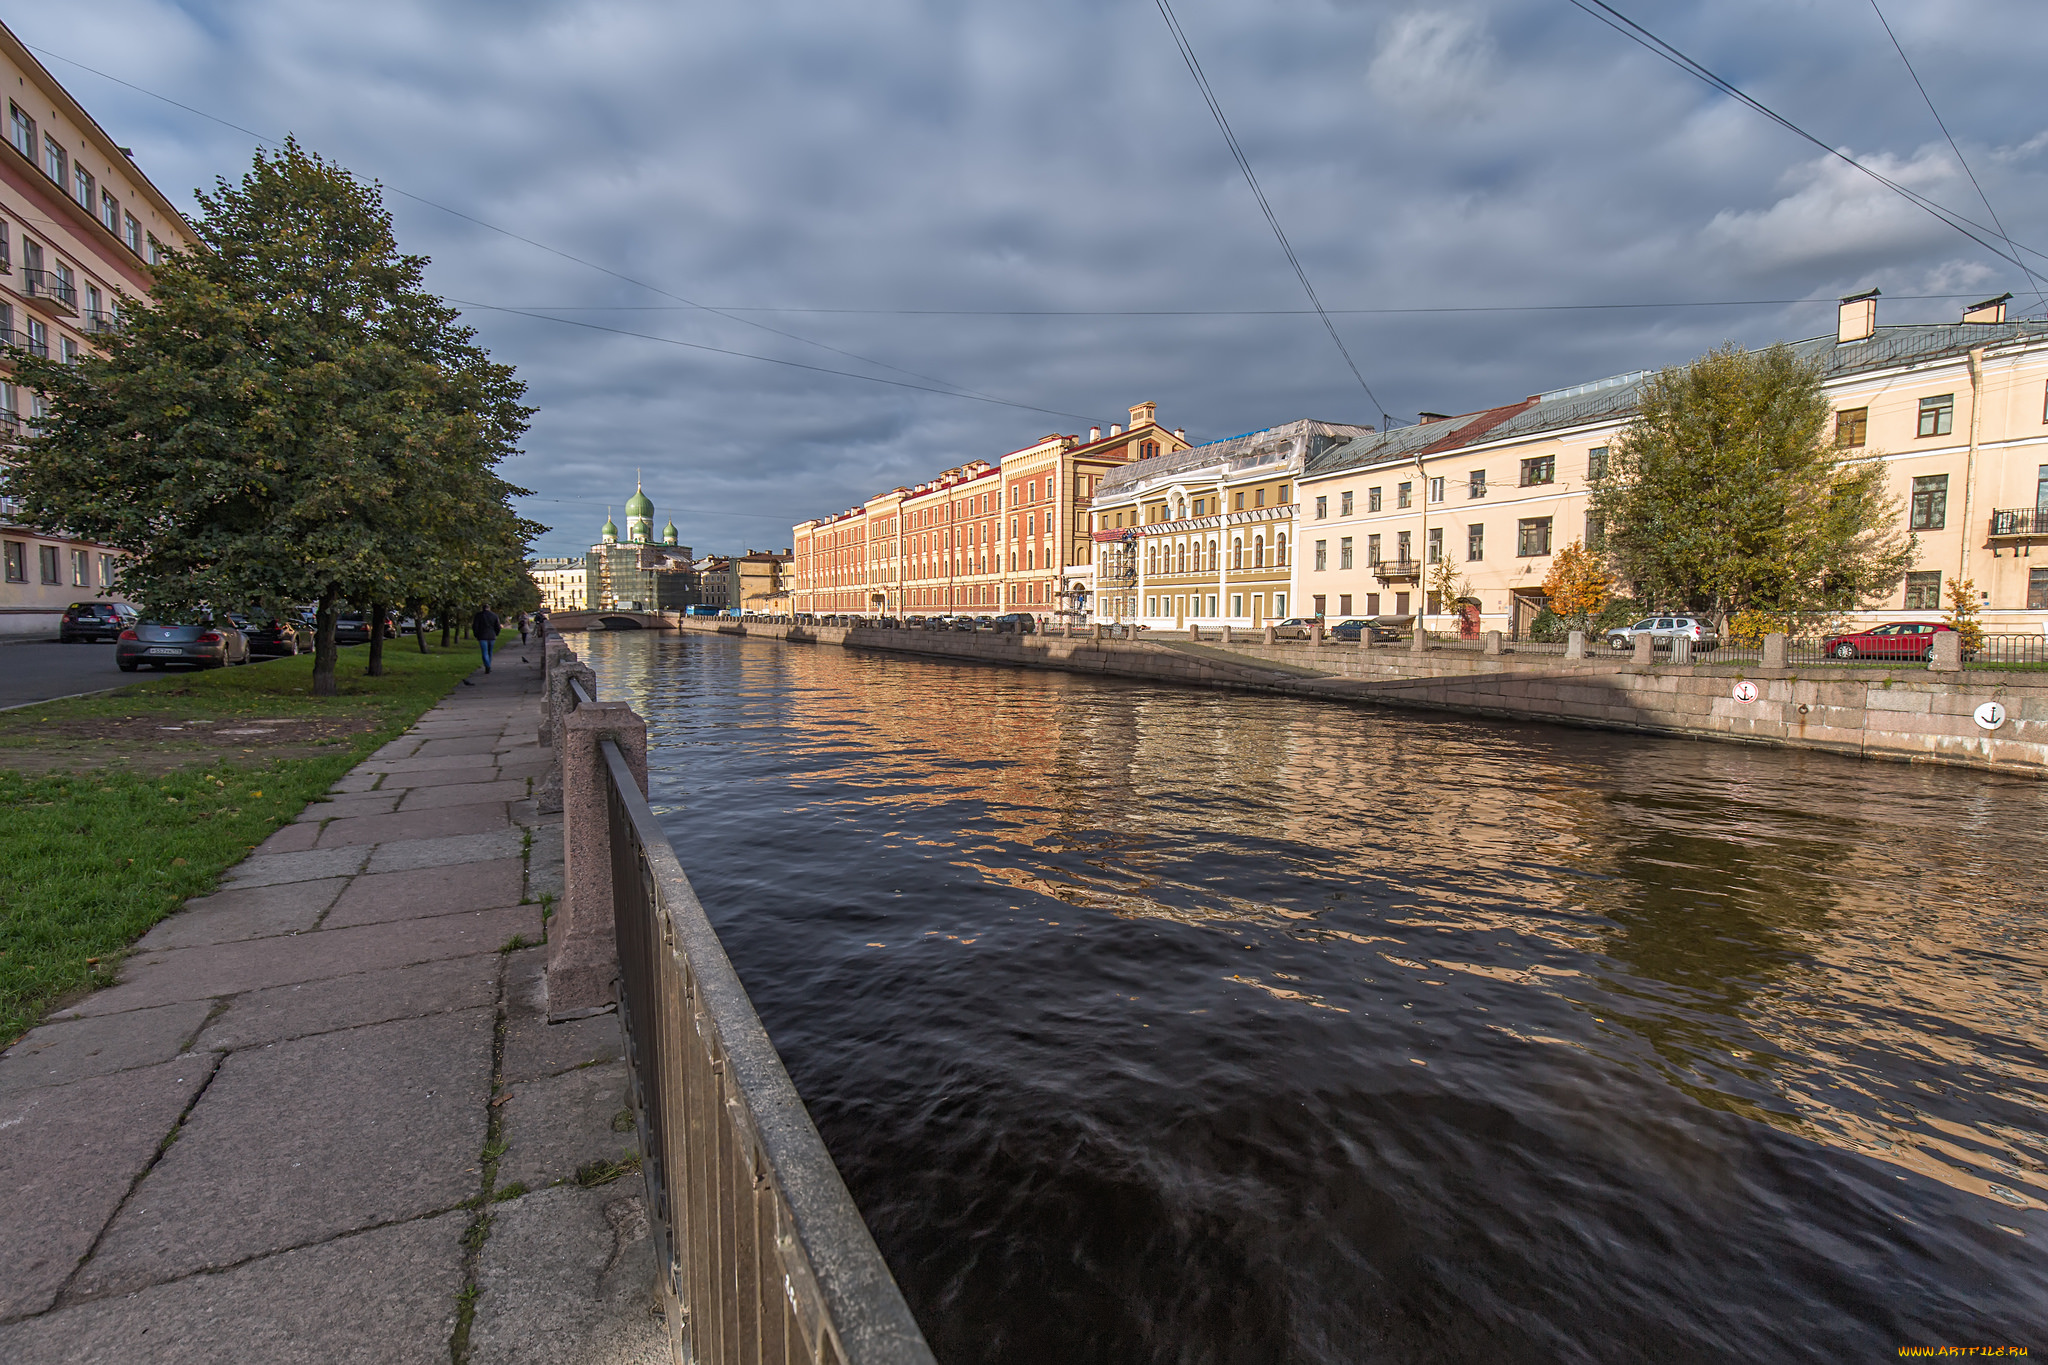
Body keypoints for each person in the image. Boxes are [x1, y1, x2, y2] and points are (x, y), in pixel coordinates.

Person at [472, 604, 502, 674]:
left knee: (484, 652)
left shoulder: (478, 615)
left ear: (482, 608)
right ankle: (489, 665)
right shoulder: (494, 615)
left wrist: (476, 634)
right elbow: (497, 626)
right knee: (490, 652)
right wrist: (496, 634)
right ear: (489, 608)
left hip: (482, 636)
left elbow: (475, 626)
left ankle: (487, 666)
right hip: (492, 636)